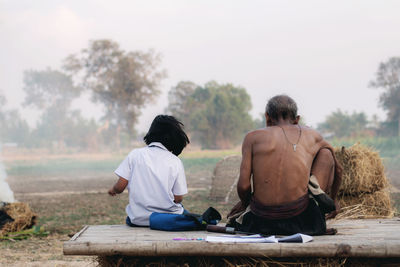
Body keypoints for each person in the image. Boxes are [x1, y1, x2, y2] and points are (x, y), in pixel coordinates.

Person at [227, 95, 342, 236]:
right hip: (303, 222)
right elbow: (339, 170)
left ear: (267, 117)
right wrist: (334, 201)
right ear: (297, 119)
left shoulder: (252, 137)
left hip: (260, 222)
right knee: (326, 154)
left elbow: (243, 186)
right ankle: (318, 210)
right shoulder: (312, 135)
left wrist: (245, 205)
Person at [108, 115, 190, 227]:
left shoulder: (135, 155)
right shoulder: (175, 161)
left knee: (130, 218)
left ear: (151, 132)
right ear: (174, 137)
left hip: (138, 220)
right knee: (189, 216)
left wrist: (113, 190)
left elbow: (120, 187)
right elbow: (178, 198)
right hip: (167, 218)